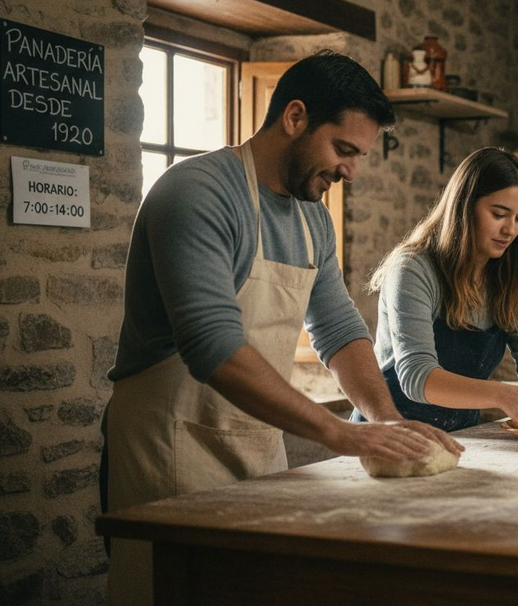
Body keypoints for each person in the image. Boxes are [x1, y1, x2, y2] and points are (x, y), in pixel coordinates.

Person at [101, 51, 461, 605]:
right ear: (295, 117)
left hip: (257, 449)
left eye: (359, 156)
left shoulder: (311, 215)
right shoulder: (197, 193)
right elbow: (212, 345)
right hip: (169, 449)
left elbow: (339, 328)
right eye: (344, 150)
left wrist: (387, 419)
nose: (351, 171)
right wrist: (341, 433)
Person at [353, 147, 518, 432]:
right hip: (388, 435)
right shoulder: (413, 269)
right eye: (499, 214)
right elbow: (416, 377)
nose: (510, 229)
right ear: (464, 206)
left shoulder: (509, 275)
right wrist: (503, 394)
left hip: (462, 436)